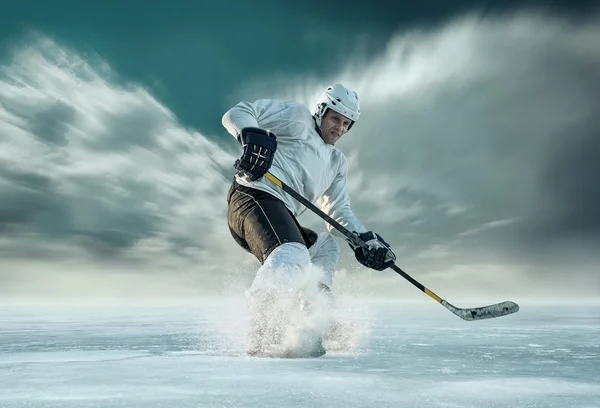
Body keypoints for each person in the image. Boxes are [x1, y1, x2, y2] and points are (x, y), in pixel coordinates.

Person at [222, 84, 396, 356]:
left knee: (325, 248)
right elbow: (239, 112)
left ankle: (312, 318)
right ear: (321, 112)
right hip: (252, 196)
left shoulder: (336, 162)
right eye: (335, 119)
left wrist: (365, 239)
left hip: (281, 213)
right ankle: (262, 326)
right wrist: (251, 136)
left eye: (347, 124)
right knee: (293, 252)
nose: (340, 128)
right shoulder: (297, 118)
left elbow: (338, 211)